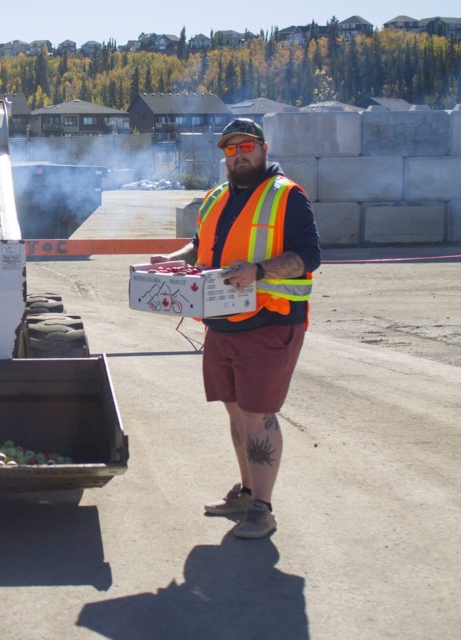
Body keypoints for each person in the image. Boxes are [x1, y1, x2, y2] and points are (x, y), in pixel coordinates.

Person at [151, 117, 321, 539]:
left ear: (263, 149)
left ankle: (262, 509)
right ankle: (246, 492)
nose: (239, 154)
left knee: (258, 415)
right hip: (221, 321)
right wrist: (172, 259)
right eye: (231, 149)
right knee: (234, 408)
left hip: (269, 320)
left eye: (246, 146)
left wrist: (258, 271)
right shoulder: (215, 197)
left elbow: (308, 256)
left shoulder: (288, 197)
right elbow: (200, 244)